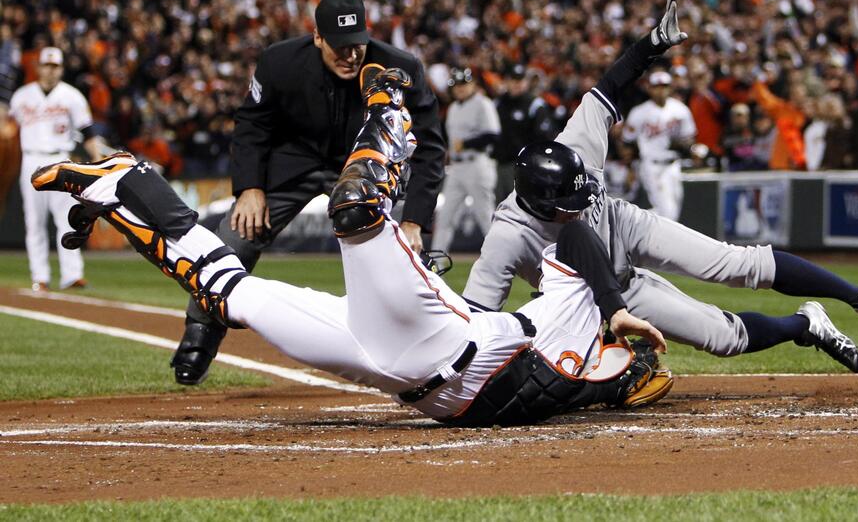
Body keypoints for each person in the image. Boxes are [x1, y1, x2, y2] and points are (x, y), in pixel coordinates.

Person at [31, 66, 671, 427]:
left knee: (224, 291)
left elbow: (586, 383)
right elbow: (580, 243)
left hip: (391, 370)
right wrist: (614, 306)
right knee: (356, 210)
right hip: (443, 342)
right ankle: (392, 110)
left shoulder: (601, 367)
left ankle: (125, 183)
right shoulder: (577, 275)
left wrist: (620, 370)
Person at [464, 0, 858, 371]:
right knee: (724, 339)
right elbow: (476, 321)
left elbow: (609, 84)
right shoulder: (508, 236)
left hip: (624, 227)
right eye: (569, 202)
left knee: (737, 263)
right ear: (540, 205)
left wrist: (652, 44)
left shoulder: (574, 147)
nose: (581, 202)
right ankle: (808, 325)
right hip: (595, 294)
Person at [171, 0, 446, 386]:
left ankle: (430, 353)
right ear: (317, 37)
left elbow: (430, 149)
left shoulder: (401, 68)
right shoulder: (279, 62)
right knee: (234, 239)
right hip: (293, 165)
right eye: (340, 45)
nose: (351, 55)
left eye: (358, 45)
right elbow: (252, 124)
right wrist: (249, 188)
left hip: (362, 169)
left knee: (409, 255)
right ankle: (200, 334)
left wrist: (415, 222)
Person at [8, 46, 104, 291]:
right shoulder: (22, 96)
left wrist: (98, 162)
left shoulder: (72, 96)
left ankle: (72, 276)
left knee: (67, 220)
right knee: (34, 222)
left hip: (60, 160)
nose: (51, 70)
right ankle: (39, 276)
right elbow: (7, 127)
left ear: (61, 69)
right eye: (47, 65)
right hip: (31, 160)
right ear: (38, 67)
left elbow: (88, 132)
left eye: (56, 66)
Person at [430, 67, 500, 253]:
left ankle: (501, 258)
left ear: (473, 85)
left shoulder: (483, 103)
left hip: (477, 165)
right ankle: (435, 265)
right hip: (456, 168)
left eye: (463, 84)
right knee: (445, 218)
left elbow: (493, 135)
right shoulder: (453, 108)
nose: (460, 88)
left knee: (485, 217)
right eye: (456, 85)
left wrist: (467, 143)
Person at [622, 70, 697, 221]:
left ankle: (637, 224)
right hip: (652, 165)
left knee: (674, 206)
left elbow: (690, 137)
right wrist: (630, 169)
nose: (661, 90)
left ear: (670, 88)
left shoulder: (680, 109)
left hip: (673, 165)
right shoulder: (640, 112)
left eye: (664, 86)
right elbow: (627, 142)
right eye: (657, 86)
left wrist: (682, 145)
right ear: (649, 88)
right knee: (667, 211)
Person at [493, 64, 556, 204]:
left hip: (524, 167)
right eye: (513, 80)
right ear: (507, 81)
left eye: (520, 80)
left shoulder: (534, 104)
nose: (517, 84)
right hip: (499, 165)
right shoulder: (498, 103)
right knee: (499, 207)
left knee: (521, 206)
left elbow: (544, 137)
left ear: (526, 82)